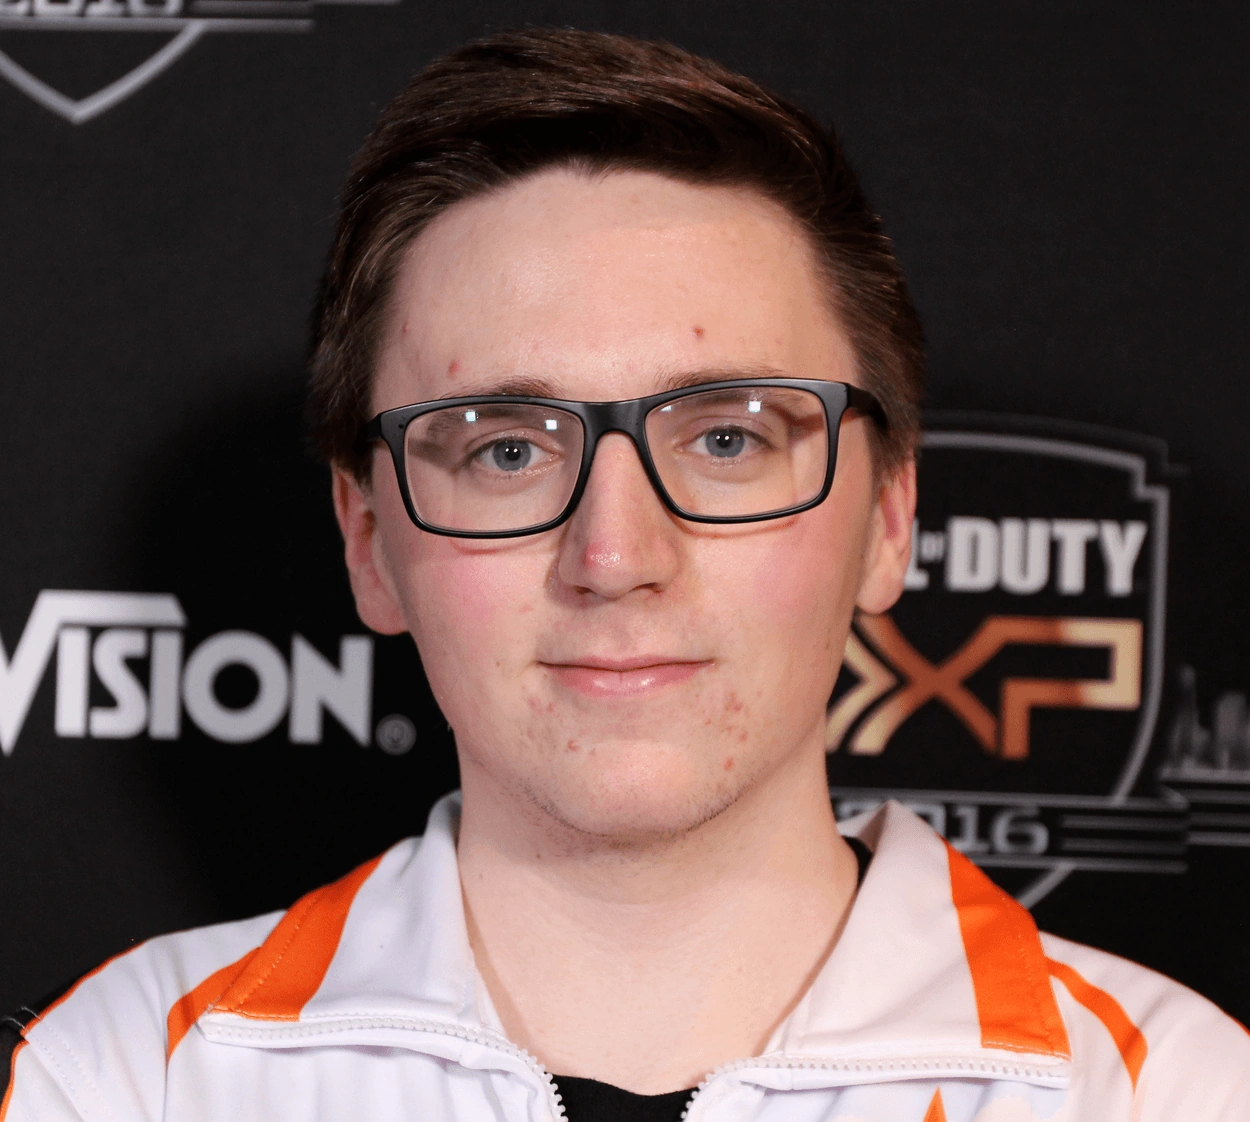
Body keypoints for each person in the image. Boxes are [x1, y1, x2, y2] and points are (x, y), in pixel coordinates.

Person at [2, 27, 1247, 1122]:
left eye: (725, 440)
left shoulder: (1169, 1095)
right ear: (369, 541)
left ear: (887, 516)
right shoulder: (130, 1082)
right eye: (504, 449)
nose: (614, 557)